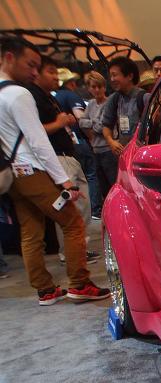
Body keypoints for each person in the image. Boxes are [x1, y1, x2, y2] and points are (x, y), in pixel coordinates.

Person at [0, 36, 108, 304]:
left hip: (14, 174)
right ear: (10, 57)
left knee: (31, 231)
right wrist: (64, 181)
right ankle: (80, 283)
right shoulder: (18, 94)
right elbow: (37, 140)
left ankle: (45, 289)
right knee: (72, 222)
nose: (34, 72)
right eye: (31, 64)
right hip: (32, 171)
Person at [30, 55, 97, 263]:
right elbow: (33, 132)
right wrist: (59, 123)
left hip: (68, 155)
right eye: (50, 71)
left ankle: (77, 249)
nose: (55, 76)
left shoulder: (48, 97)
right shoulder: (32, 97)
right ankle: (70, 253)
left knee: (81, 206)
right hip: (57, 158)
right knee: (70, 208)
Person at [55, 67, 102, 220]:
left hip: (63, 148)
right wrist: (92, 138)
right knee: (91, 174)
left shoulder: (53, 97)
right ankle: (95, 210)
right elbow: (80, 118)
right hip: (79, 142)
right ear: (71, 83)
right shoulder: (71, 96)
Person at [98, 57, 146, 187]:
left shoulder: (144, 97)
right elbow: (106, 125)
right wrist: (111, 141)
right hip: (124, 157)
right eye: (111, 76)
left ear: (130, 76)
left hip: (142, 158)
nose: (112, 79)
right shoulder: (114, 99)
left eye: (115, 75)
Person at [78, 71, 115, 197]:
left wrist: (91, 124)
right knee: (102, 186)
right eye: (93, 87)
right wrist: (94, 122)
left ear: (104, 87)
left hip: (108, 150)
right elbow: (81, 123)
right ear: (89, 88)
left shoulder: (109, 103)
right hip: (95, 150)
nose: (97, 90)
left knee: (113, 183)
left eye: (100, 86)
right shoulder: (91, 103)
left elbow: (100, 128)